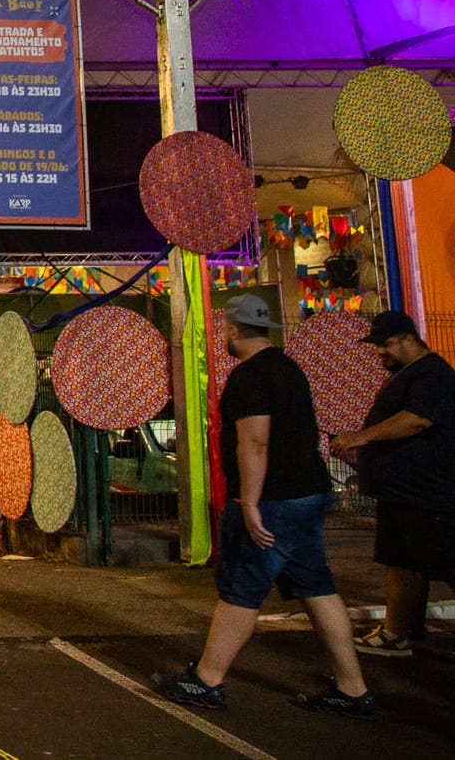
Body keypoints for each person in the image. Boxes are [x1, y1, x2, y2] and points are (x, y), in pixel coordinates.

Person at [154, 294, 371, 716]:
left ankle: (207, 679)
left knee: (242, 586)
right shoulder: (290, 370)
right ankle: (352, 686)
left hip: (273, 500)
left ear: (233, 330)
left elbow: (255, 442)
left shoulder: (248, 378)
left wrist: (249, 503)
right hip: (309, 492)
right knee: (316, 585)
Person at [332, 308, 455, 657]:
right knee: (401, 560)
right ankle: (397, 631)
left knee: (442, 561)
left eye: (386, 344)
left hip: (426, 492)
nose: (380, 352)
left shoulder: (432, 374)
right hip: (402, 492)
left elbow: (418, 420)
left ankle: (398, 630)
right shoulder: (408, 374)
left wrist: (364, 436)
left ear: (409, 339)